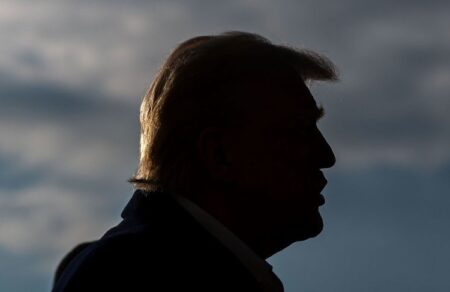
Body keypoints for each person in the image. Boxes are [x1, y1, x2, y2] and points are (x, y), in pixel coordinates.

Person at [52, 31, 338, 291]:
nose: (326, 156)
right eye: (299, 131)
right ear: (219, 154)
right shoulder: (135, 273)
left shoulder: (136, 264)